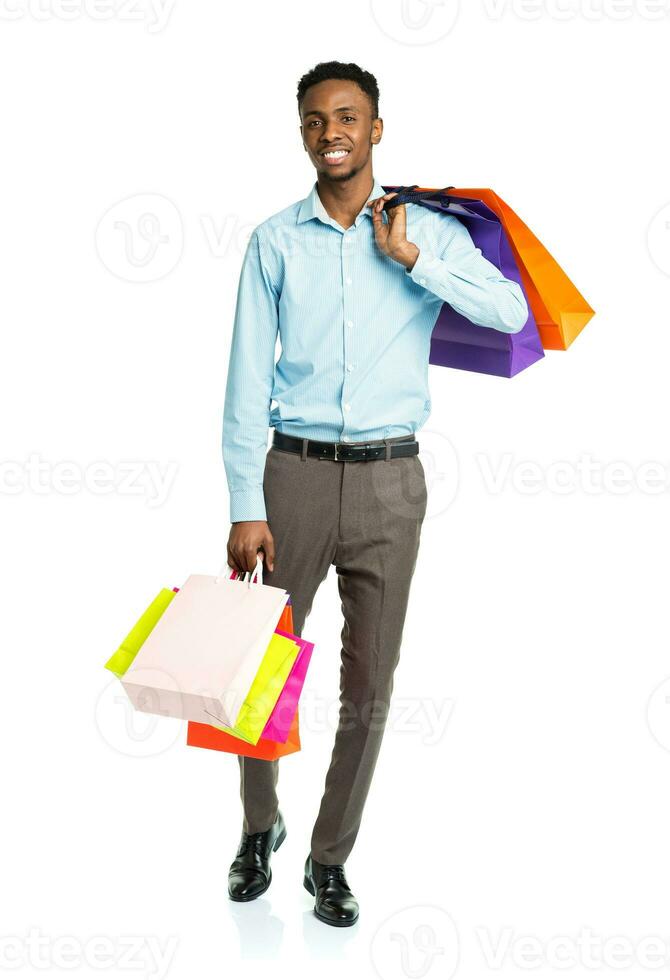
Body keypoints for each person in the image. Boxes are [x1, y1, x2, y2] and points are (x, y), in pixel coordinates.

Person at [222, 60, 528, 927]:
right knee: (259, 671)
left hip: (394, 480)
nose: (333, 132)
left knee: (372, 682)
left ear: (377, 128)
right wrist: (247, 500)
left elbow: (508, 313)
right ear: (305, 134)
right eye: (316, 120)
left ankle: (329, 857)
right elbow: (246, 382)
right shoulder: (274, 241)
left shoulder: (428, 227)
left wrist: (414, 258)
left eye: (348, 117)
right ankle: (258, 826)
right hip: (294, 476)